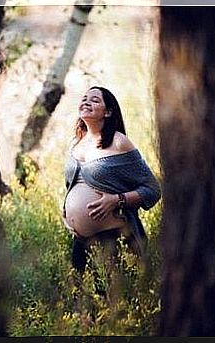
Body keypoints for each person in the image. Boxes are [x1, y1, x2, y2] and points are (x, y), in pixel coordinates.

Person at [61, 86, 161, 273]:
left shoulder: (118, 142)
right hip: (80, 242)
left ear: (107, 112)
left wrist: (116, 200)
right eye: (84, 98)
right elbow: (73, 186)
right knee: (81, 300)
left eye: (95, 100)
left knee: (113, 299)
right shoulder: (75, 143)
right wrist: (67, 213)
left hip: (114, 239)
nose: (86, 101)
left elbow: (152, 189)